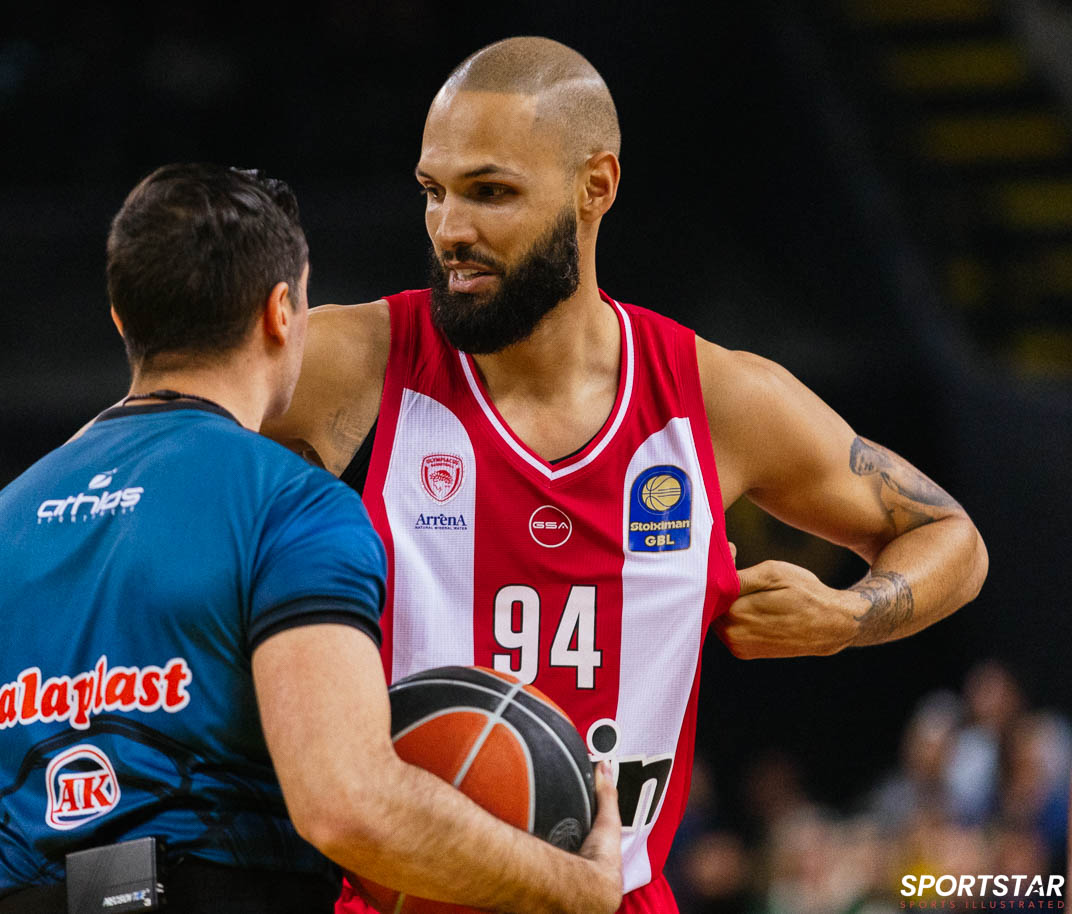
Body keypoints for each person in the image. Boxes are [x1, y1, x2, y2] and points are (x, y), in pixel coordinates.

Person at [260, 37, 990, 914]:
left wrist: (847, 617)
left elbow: (952, 536)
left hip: (616, 894)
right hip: (399, 898)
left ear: (595, 186)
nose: (450, 228)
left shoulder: (710, 399)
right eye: (434, 191)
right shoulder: (359, 361)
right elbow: (151, 439)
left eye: (489, 192)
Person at [0, 163, 623, 914]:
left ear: (122, 318)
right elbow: (347, 806)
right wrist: (580, 887)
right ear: (281, 312)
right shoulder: (291, 506)